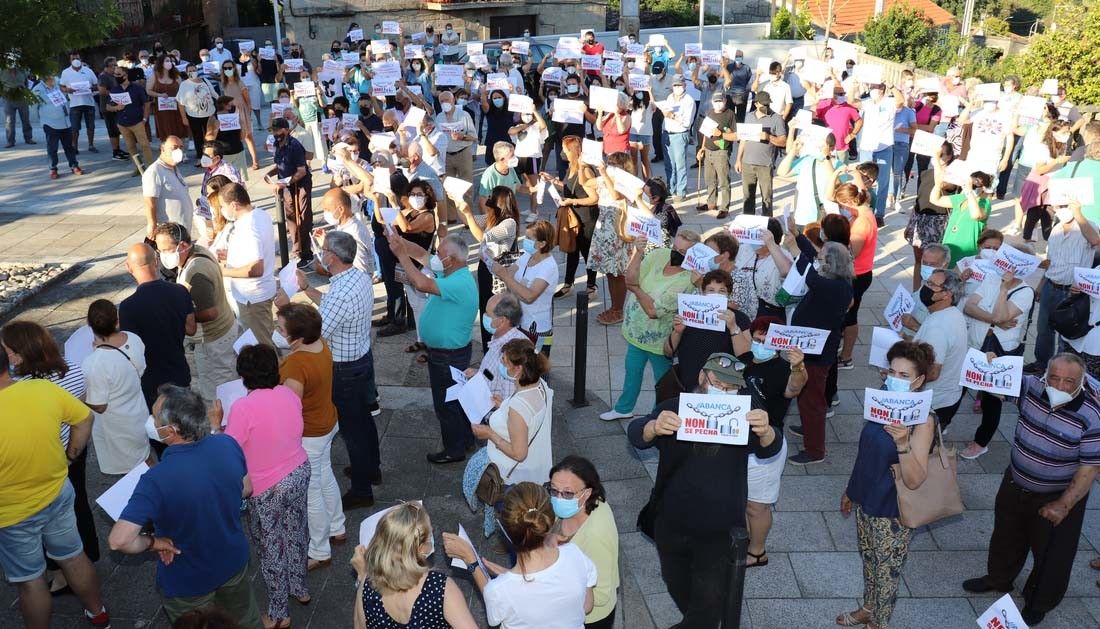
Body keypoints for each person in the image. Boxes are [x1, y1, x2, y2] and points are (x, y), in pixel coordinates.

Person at [627, 353, 780, 627]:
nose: (723, 391)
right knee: (675, 581)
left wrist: (766, 430)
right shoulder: (674, 408)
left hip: (719, 530)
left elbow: (770, 446)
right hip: (671, 521)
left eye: (730, 387)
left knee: (710, 601)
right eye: (717, 383)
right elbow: (637, 433)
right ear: (702, 377)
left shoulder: (742, 417)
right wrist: (653, 427)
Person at [962, 353, 1100, 626]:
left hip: (1058, 493)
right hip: (1016, 481)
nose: (1059, 386)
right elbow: (996, 388)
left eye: (1068, 381)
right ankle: (998, 578)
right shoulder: (1031, 386)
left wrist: (1065, 504)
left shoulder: (1092, 414)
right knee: (1005, 534)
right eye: (1054, 378)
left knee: (1052, 554)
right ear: (1045, 375)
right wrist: (990, 365)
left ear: (1081, 381)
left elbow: (1089, 468)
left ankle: (1040, 601)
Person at [109, 385, 262, 628]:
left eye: (155, 417)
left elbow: (119, 540)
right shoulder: (226, 443)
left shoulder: (155, 479)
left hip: (188, 580)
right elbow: (246, 488)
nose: (150, 420)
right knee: (246, 621)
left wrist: (154, 542)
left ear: (171, 431)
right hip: (233, 561)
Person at [0, 347, 110, 629]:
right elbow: (84, 419)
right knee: (73, 556)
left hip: (12, 515)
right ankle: (98, 615)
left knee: (31, 581)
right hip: (58, 492)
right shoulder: (40, 388)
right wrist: (69, 457)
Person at [837, 341, 936, 629]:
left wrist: (903, 442)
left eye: (904, 376)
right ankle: (868, 607)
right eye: (891, 372)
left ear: (918, 381)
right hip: (866, 500)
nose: (894, 379)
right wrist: (851, 490)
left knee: (887, 572)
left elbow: (916, 479)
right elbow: (866, 451)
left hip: (893, 510)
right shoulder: (880, 401)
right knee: (869, 560)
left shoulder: (923, 420)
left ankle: (879, 623)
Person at [214, 344, 310, 629]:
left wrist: (216, 425)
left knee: (271, 547)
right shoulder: (289, 394)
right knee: (296, 531)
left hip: (267, 485)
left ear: (244, 376)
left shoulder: (243, 407)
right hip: (299, 471)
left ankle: (279, 613)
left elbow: (228, 450)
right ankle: (300, 587)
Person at [288, 231, 380, 510]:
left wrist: (286, 310)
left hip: (344, 370)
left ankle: (362, 490)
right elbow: (329, 307)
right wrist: (306, 288)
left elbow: (317, 332)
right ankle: (371, 468)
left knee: (352, 429)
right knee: (364, 421)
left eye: (324, 248)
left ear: (333, 257)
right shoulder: (358, 277)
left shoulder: (341, 292)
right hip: (362, 360)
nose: (321, 252)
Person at [445, 482, 597, 628]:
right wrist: (508, 576)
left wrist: (471, 560)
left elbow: (495, 614)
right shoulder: (575, 554)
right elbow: (587, 606)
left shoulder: (499, 591)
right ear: (548, 520)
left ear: (506, 531)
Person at [389, 232, 478, 464]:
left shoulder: (458, 282)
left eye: (440, 253)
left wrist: (400, 255)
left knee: (446, 403)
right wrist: (400, 241)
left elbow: (421, 282)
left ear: (453, 259)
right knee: (457, 398)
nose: (436, 257)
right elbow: (420, 253)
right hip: (448, 352)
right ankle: (465, 438)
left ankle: (454, 449)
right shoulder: (451, 272)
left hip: (448, 355)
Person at [274, 303, 346, 569]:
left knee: (311, 490)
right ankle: (337, 526)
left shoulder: (296, 363)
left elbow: (289, 408)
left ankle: (319, 550)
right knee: (325, 475)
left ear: (298, 337)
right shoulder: (322, 345)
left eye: (281, 329)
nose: (278, 331)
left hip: (310, 433)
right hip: (328, 422)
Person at [600, 231, 701, 421]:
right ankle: (623, 408)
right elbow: (630, 278)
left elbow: (653, 311)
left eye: (682, 251)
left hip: (659, 340)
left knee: (663, 383)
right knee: (632, 371)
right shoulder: (658, 254)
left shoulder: (688, 279)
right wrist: (638, 253)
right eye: (674, 248)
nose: (674, 254)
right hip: (634, 331)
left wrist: (638, 289)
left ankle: (658, 417)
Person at [737, 317, 807, 568]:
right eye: (757, 338)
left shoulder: (782, 368)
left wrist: (799, 367)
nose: (761, 343)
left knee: (757, 506)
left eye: (768, 340)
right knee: (744, 501)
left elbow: (794, 388)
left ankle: (757, 552)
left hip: (766, 448)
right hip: (739, 442)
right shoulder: (744, 361)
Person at [352, 503, 478, 628]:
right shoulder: (440, 588)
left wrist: (363, 577)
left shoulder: (367, 587)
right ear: (421, 548)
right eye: (430, 535)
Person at [787, 236, 854, 465]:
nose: (819, 259)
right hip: (813, 348)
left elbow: (811, 273)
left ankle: (815, 450)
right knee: (808, 397)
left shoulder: (831, 285)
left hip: (816, 354)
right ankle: (809, 428)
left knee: (811, 400)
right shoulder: (838, 281)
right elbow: (812, 258)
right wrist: (798, 235)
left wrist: (798, 251)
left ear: (831, 263)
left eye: (823, 258)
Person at [154, 223, 238, 403]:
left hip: (213, 339)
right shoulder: (198, 251)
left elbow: (209, 313)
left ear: (183, 246)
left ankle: (220, 426)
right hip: (224, 329)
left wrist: (179, 316)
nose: (163, 256)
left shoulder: (195, 273)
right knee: (227, 383)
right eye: (159, 251)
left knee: (214, 393)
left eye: (166, 250)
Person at [961, 261, 1036, 460]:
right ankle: (942, 422)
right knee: (959, 384)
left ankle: (981, 442)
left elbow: (1002, 314)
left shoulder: (1025, 291)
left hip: (1000, 350)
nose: (1006, 269)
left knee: (992, 397)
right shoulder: (991, 278)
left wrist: (1003, 289)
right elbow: (969, 307)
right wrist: (996, 321)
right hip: (976, 343)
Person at [1025, 199, 1100, 374]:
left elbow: (1096, 240)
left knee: (1065, 334)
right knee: (1043, 329)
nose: (1060, 210)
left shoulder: (1087, 227)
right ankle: (1041, 364)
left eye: (1064, 206)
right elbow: (1052, 261)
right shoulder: (1056, 229)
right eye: (1058, 206)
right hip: (1050, 286)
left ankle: (1059, 371)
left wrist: (1078, 212)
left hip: (1071, 293)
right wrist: (1041, 284)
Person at [118, 242, 195, 408]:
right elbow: (191, 328)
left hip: (151, 383)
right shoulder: (180, 291)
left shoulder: (128, 307)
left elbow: (130, 351)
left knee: (159, 430)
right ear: (157, 261)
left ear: (128, 267)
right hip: (179, 373)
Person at [548, 456, 619, 629]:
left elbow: (601, 594)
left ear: (587, 493)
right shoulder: (584, 505)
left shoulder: (596, 535)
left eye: (567, 493)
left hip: (589, 619)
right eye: (553, 490)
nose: (558, 498)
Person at [474, 338, 553, 487]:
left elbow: (519, 454)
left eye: (504, 361)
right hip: (534, 468)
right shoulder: (540, 385)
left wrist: (490, 434)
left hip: (512, 477)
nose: (501, 365)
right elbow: (528, 417)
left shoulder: (518, 407)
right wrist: (503, 405)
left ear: (517, 369)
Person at [454, 184, 518, 352]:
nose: (487, 201)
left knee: (497, 311)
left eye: (491, 198)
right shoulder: (491, 218)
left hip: (498, 274)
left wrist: (468, 213)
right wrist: (458, 200)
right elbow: (468, 220)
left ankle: (500, 348)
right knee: (485, 308)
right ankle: (487, 348)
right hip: (485, 268)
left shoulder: (509, 223)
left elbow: (483, 238)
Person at [218, 183, 277, 345]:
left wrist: (222, 271)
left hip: (252, 298)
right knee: (263, 337)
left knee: (263, 345)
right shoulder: (260, 214)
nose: (222, 210)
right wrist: (231, 256)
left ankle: (276, 369)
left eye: (223, 206)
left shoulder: (248, 227)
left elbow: (256, 268)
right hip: (256, 294)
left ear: (234, 205)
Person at [913, 269, 969, 432]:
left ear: (947, 294)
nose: (926, 287)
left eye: (931, 284)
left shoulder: (937, 327)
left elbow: (932, 372)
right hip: (947, 397)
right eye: (927, 282)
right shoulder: (953, 314)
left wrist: (902, 380)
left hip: (933, 402)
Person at [589, 152, 640, 325]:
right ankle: (614, 306)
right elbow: (586, 183)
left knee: (618, 273)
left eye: (614, 164)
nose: (610, 166)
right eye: (608, 162)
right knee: (609, 272)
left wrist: (604, 173)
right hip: (604, 231)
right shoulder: (605, 179)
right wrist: (581, 165)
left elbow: (616, 196)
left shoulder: (627, 182)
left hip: (618, 232)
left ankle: (619, 309)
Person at [494, 220, 559, 355]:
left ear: (542, 244)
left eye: (529, 238)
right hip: (519, 322)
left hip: (535, 328)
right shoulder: (527, 256)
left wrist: (505, 276)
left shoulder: (549, 267)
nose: (525, 241)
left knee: (533, 368)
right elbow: (510, 272)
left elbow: (530, 296)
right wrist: (494, 266)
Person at [547, 135, 600, 297]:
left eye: (564, 149)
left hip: (586, 218)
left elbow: (594, 198)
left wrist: (573, 201)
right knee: (572, 250)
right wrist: (554, 182)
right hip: (573, 217)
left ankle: (592, 286)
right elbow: (569, 187)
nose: (562, 152)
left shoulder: (585, 170)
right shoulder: (571, 167)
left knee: (587, 252)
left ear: (572, 151)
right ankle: (568, 284)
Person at [834, 183, 878, 370]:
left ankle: (846, 357)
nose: (843, 209)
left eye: (843, 205)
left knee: (850, 316)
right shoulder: (862, 212)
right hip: (859, 272)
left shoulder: (862, 222)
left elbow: (852, 253)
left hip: (857, 275)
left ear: (851, 201)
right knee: (848, 315)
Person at [904, 142, 955, 290]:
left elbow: (941, 184)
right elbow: (920, 197)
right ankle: (916, 291)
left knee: (934, 262)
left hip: (937, 222)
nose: (937, 158)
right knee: (919, 260)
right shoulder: (926, 173)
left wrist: (937, 162)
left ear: (949, 156)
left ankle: (934, 290)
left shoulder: (952, 177)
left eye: (941, 155)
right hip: (921, 219)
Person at [268, 117, 314, 266]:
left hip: (300, 186)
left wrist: (284, 183)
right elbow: (280, 165)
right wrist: (270, 174)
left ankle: (306, 253)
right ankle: (296, 250)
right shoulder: (277, 144)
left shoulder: (294, 146)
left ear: (286, 130)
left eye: (277, 130)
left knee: (303, 218)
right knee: (291, 219)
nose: (275, 133)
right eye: (273, 130)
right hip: (286, 188)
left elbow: (301, 171)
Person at [930, 164, 992, 269]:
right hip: (948, 249)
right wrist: (938, 184)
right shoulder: (961, 198)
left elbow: (976, 215)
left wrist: (969, 192)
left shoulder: (984, 203)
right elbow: (935, 200)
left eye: (977, 183)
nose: (974, 185)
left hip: (966, 253)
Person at [736, 91, 787, 216]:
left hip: (765, 164)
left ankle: (768, 223)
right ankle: (748, 223)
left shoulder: (777, 118)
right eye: (763, 104)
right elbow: (743, 139)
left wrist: (769, 137)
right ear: (756, 104)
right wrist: (738, 159)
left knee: (766, 198)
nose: (766, 107)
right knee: (748, 197)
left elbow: (783, 141)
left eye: (768, 104)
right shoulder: (749, 117)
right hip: (747, 163)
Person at [469, 292, 529, 399]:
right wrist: (477, 373)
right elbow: (492, 374)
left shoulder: (513, 352)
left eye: (488, 314)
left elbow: (509, 398)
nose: (484, 316)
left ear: (502, 321)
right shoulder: (499, 337)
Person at [856, 84, 901, 225]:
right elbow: (851, 101)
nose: (873, 89)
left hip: (884, 147)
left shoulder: (889, 102)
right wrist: (854, 84)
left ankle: (879, 214)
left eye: (876, 87)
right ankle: (861, 208)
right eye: (872, 86)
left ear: (882, 89)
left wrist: (892, 86)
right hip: (867, 147)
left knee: (882, 181)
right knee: (862, 180)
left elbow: (900, 101)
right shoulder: (867, 102)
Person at [729, 220, 791, 320]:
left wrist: (770, 245)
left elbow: (787, 272)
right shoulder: (745, 249)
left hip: (767, 315)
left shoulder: (783, 256)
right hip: (741, 312)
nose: (754, 242)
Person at [142, 136, 195, 240]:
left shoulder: (173, 168)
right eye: (174, 147)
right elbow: (149, 201)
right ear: (162, 149)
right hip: (170, 232)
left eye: (181, 147)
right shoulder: (154, 171)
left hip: (182, 229)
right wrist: (152, 224)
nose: (178, 150)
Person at [31, 74, 82, 178]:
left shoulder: (57, 86)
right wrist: (42, 120)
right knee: (52, 148)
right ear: (44, 78)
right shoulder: (37, 90)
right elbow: (33, 107)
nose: (53, 79)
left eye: (53, 76)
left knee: (69, 146)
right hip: (50, 123)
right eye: (50, 77)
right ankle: (53, 169)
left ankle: (74, 165)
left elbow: (65, 98)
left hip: (65, 122)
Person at [696, 92, 738, 217]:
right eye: (716, 101)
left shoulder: (730, 114)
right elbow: (705, 132)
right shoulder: (710, 113)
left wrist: (720, 134)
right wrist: (702, 148)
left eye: (721, 101)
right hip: (708, 150)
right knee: (710, 179)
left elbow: (735, 136)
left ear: (725, 101)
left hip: (721, 152)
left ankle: (724, 207)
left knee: (723, 180)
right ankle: (711, 203)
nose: (718, 104)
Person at [106, 66, 154, 168]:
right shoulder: (114, 90)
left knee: (144, 145)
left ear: (125, 75)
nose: (116, 76)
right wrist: (117, 108)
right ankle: (138, 167)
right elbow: (108, 106)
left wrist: (145, 119)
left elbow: (146, 103)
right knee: (131, 147)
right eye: (115, 74)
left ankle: (151, 167)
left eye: (118, 74)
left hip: (137, 122)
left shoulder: (137, 88)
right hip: (122, 123)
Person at [660, 75, 696, 201]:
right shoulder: (669, 97)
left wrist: (672, 116)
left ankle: (681, 191)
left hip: (680, 134)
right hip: (667, 133)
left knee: (680, 164)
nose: (677, 87)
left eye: (679, 85)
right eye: (675, 85)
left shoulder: (689, 100)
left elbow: (687, 122)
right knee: (669, 164)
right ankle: (671, 188)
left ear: (684, 85)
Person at [59, 52, 100, 154]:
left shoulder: (88, 71)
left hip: (89, 103)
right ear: (70, 60)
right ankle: (74, 147)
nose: (75, 60)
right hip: (74, 104)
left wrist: (91, 88)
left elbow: (96, 84)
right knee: (74, 128)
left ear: (80, 59)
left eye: (77, 58)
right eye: (73, 59)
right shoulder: (65, 72)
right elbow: (61, 86)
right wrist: (68, 90)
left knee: (91, 126)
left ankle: (91, 145)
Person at [146, 55, 190, 145]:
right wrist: (159, 95)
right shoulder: (154, 77)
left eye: (170, 61)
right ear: (161, 63)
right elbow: (148, 91)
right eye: (167, 61)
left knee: (179, 129)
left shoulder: (176, 76)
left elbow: (182, 90)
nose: (169, 63)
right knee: (165, 131)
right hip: (162, 110)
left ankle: (182, 151)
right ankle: (168, 152)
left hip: (177, 108)